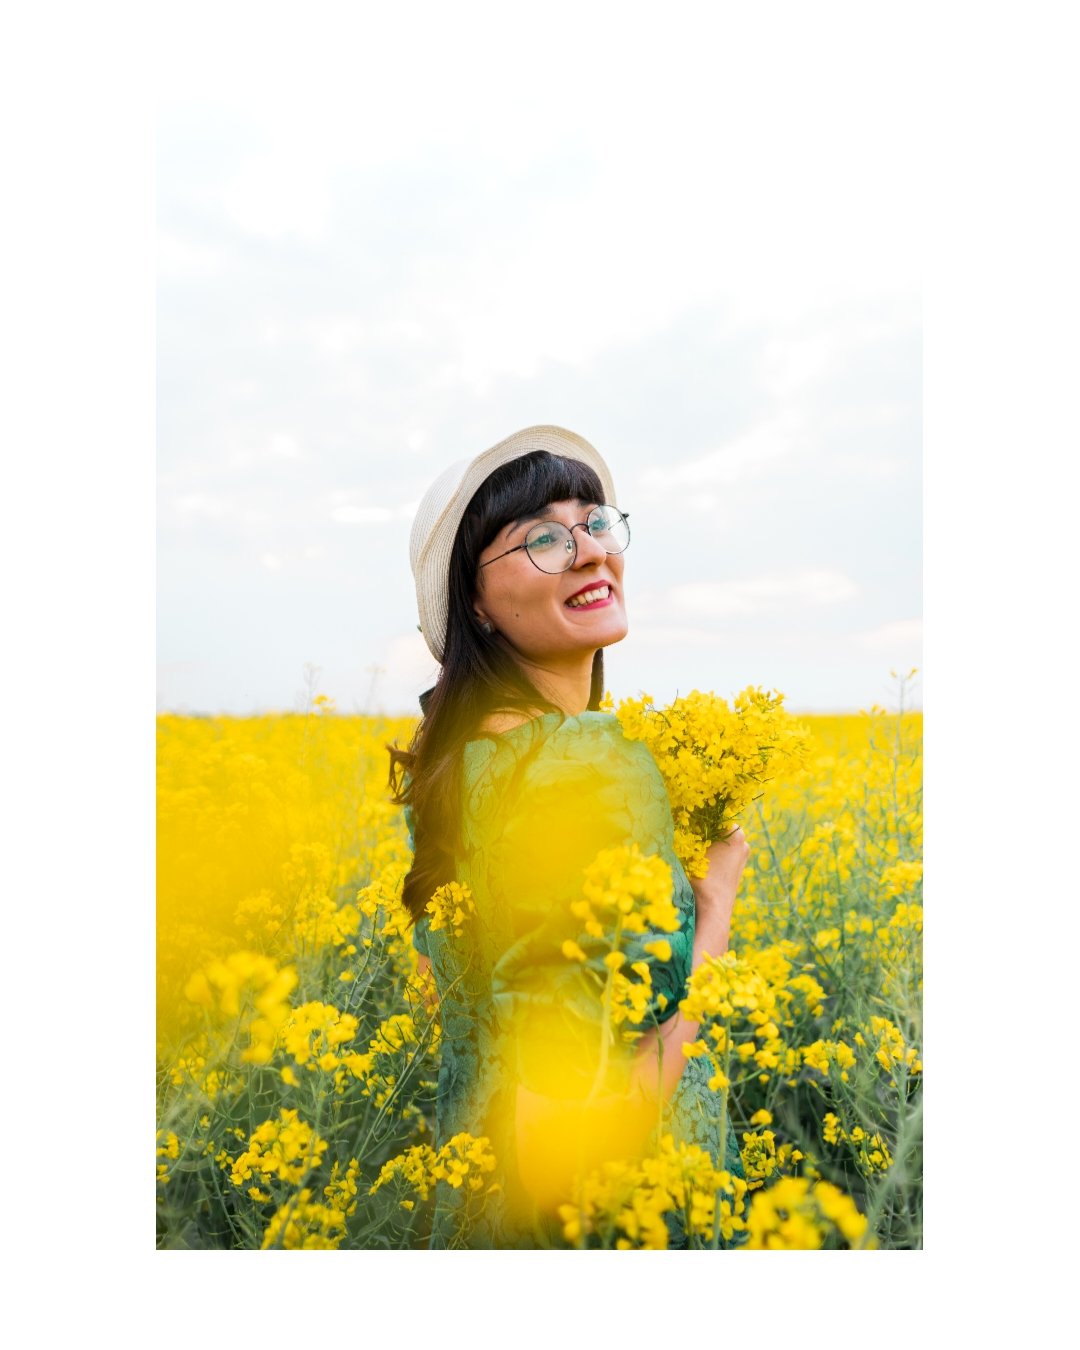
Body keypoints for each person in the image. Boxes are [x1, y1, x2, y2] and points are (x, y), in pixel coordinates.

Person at [387, 425, 751, 1249]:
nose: (589, 551)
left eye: (595, 522)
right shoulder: (583, 767)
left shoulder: (459, 773)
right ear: (473, 602)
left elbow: (453, 996)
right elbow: (572, 1151)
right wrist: (714, 906)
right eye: (542, 539)